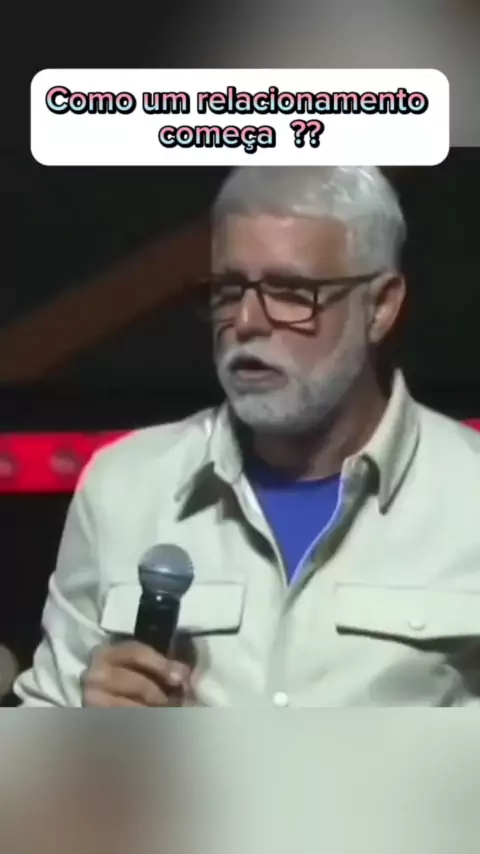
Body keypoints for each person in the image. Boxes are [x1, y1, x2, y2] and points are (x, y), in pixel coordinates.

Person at [15, 165, 480, 707]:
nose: (245, 321)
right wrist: (86, 729)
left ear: (379, 307)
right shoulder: (124, 487)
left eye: (291, 292)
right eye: (228, 289)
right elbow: (43, 733)